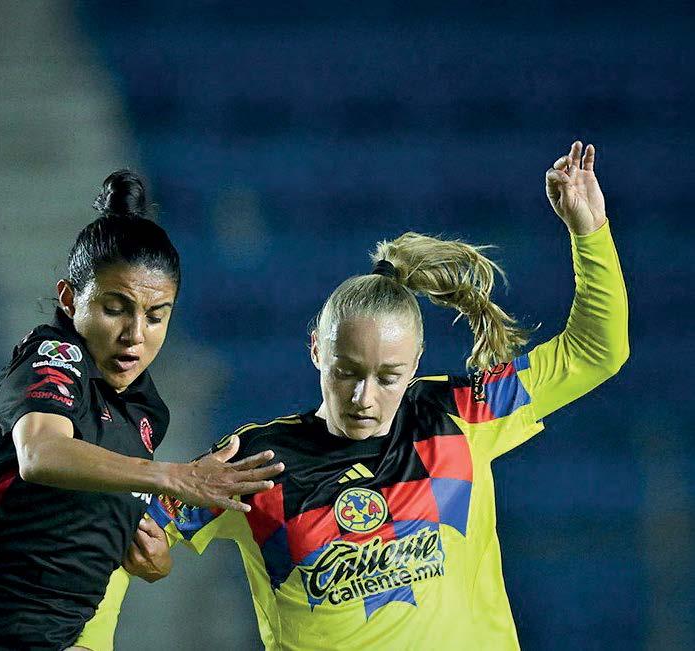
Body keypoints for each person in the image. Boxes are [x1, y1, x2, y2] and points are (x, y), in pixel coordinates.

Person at [79, 141, 628, 650]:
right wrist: (95, 633)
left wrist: (590, 232)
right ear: (316, 349)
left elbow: (596, 351)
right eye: (347, 372)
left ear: (416, 362)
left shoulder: (459, 414)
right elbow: (116, 536)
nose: (364, 397)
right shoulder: (254, 465)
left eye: (388, 377)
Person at [0, 170, 284, 650]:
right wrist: (175, 477)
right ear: (70, 300)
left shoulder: (146, 410)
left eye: (156, 316)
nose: (135, 334)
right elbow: (41, 455)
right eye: (115, 309)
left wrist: (149, 554)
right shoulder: (53, 358)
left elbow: (90, 508)